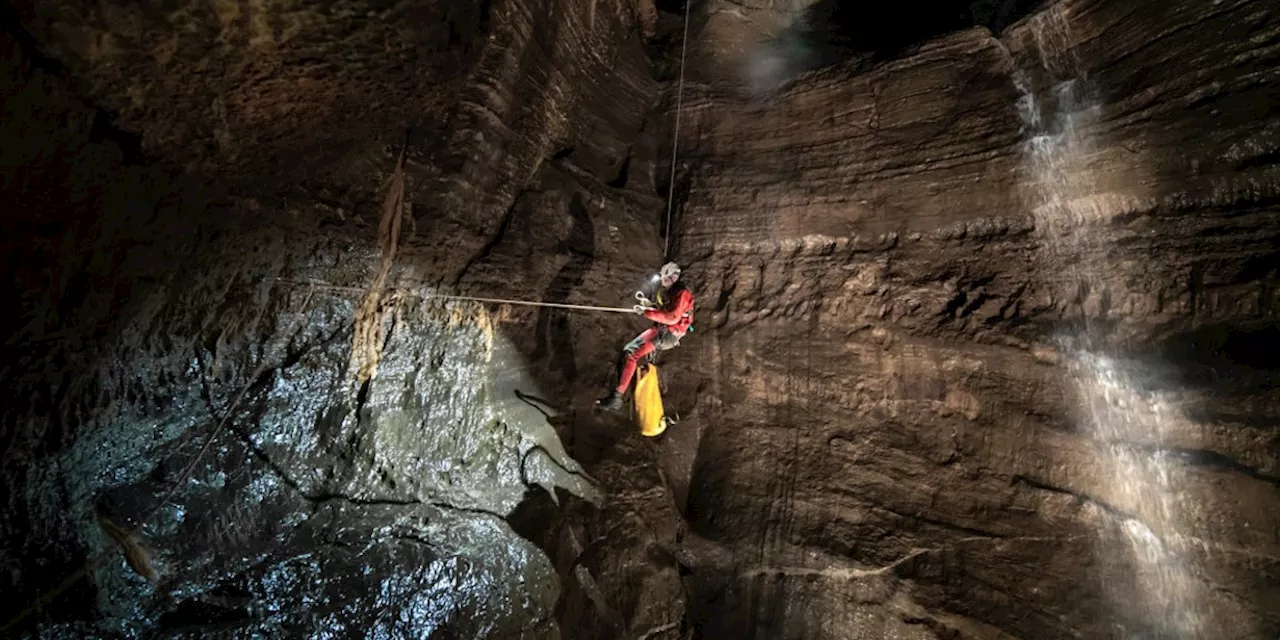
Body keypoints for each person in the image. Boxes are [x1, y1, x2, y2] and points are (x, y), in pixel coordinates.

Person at [597, 262, 694, 411]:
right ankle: (621, 389)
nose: (663, 282)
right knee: (628, 350)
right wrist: (649, 306)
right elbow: (664, 311)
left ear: (673, 277)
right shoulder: (672, 292)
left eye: (665, 279)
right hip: (661, 329)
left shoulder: (683, 294)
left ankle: (617, 398)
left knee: (634, 356)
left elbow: (672, 318)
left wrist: (646, 312)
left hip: (668, 335)